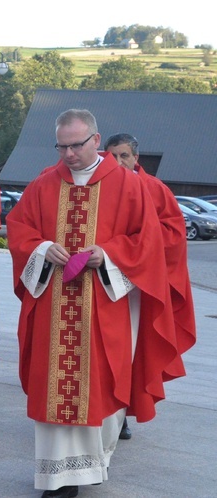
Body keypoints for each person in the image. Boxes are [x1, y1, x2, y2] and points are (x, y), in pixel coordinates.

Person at [6, 109, 182, 498]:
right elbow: (18, 229)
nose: (68, 154)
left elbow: (150, 243)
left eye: (76, 145)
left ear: (95, 140)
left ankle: (91, 467)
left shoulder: (128, 186)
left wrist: (110, 255)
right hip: (53, 304)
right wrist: (40, 248)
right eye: (62, 146)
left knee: (100, 387)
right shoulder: (43, 184)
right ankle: (56, 477)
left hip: (105, 308)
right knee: (54, 385)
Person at [104, 133, 197, 440]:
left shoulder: (155, 189)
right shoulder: (98, 189)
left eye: (124, 156)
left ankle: (124, 413)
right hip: (102, 283)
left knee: (133, 354)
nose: (117, 162)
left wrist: (135, 249)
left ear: (136, 159)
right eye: (112, 156)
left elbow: (173, 235)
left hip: (139, 287)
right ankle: (104, 411)